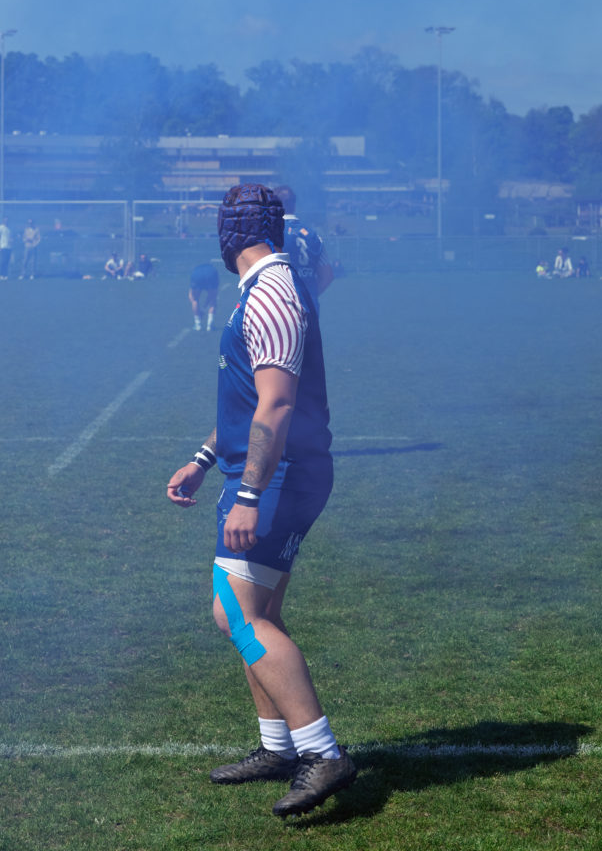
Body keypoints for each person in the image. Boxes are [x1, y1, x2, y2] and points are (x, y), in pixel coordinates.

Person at [166, 183, 356, 818]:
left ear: (232, 234)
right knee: (259, 610)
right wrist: (203, 460)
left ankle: (321, 753)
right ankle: (278, 747)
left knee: (235, 614)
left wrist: (248, 493)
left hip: (278, 477)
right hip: (277, 471)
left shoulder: (270, 291)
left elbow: (275, 406)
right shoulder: (267, 285)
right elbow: (249, 400)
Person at [272, 185, 333, 313]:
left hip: (282, 308)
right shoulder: (314, 236)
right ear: (294, 205)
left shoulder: (272, 234)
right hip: (310, 308)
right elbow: (327, 276)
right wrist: (309, 296)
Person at [189, 262, 219, 331]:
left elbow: (191, 296)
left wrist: (201, 309)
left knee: (194, 300)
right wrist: (204, 309)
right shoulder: (213, 270)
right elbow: (212, 296)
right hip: (211, 274)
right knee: (213, 300)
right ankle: (210, 325)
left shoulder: (196, 269)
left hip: (197, 275)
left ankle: (197, 324)